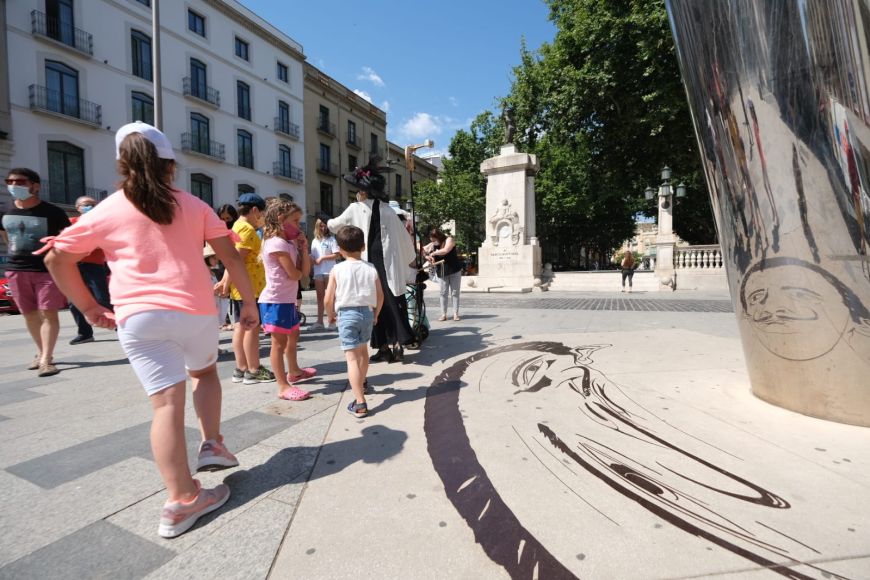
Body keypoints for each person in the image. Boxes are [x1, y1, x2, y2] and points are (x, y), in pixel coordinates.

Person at [42, 122, 259, 538]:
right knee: (204, 374)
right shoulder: (194, 205)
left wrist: (90, 308)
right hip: (194, 310)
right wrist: (248, 304)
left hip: (138, 316)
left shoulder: (106, 209)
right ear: (170, 165)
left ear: (123, 164)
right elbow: (231, 257)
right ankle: (212, 442)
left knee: (165, 407)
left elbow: (56, 259)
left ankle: (180, 501)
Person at [327, 158, 416, 363]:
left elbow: (334, 225)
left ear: (363, 191)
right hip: (388, 264)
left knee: (373, 302)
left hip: (368, 260)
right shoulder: (388, 210)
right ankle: (397, 344)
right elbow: (404, 239)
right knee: (392, 302)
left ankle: (383, 347)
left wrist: (326, 219)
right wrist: (410, 261)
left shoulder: (355, 208)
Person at [0, 167, 71, 376]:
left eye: (20, 182)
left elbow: (66, 240)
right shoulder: (5, 209)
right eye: (10, 181)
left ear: (35, 186)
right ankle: (42, 354)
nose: (14, 186)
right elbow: (7, 237)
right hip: (16, 270)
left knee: (48, 313)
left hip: (47, 270)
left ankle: (46, 359)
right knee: (29, 315)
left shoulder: (53, 212)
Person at [324, 225, 383, 418]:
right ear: (364, 247)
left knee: (351, 358)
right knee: (363, 352)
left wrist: (330, 313)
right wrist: (375, 314)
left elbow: (328, 298)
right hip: (366, 313)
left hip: (347, 314)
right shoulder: (371, 268)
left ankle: (359, 402)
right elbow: (380, 295)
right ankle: (363, 382)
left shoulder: (337, 269)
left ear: (339, 249)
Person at [259, 200, 314, 401]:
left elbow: (304, 272)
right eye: (296, 221)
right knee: (278, 343)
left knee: (294, 334)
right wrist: (300, 268)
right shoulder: (276, 243)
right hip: (276, 300)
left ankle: (294, 371)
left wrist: (304, 248)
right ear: (281, 220)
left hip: (286, 299)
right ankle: (282, 385)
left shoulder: (288, 243)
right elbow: (294, 274)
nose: (298, 226)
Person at [217, 193, 274, 385]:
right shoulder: (248, 229)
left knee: (241, 328)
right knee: (252, 328)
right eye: (261, 213)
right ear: (255, 210)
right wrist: (226, 281)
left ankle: (241, 368)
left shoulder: (236, 226)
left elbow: (231, 257)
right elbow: (236, 259)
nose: (261, 218)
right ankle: (253, 369)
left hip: (241, 287)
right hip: (249, 287)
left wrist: (226, 281)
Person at [68, 195, 113, 345]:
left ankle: (120, 326)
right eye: (85, 204)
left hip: (94, 266)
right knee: (74, 302)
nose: (89, 207)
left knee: (102, 298)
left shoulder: (102, 223)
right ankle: (85, 333)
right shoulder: (70, 223)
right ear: (78, 208)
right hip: (73, 267)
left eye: (92, 204)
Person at [423, 228, 463, 321]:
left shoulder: (449, 240)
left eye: (434, 240)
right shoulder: (433, 244)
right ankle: (443, 314)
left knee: (455, 293)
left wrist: (433, 253)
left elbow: (445, 250)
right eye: (432, 240)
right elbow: (423, 249)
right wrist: (427, 256)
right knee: (443, 293)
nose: (433, 242)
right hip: (441, 271)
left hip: (454, 270)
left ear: (439, 237)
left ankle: (455, 314)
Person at [309, 218, 340, 330]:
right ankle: (319, 321)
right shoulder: (314, 241)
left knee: (331, 297)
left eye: (324, 225)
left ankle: (332, 321)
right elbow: (313, 255)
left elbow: (337, 255)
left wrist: (322, 258)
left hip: (329, 271)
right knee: (320, 297)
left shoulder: (331, 239)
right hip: (318, 271)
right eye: (321, 226)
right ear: (317, 227)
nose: (323, 228)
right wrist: (311, 259)